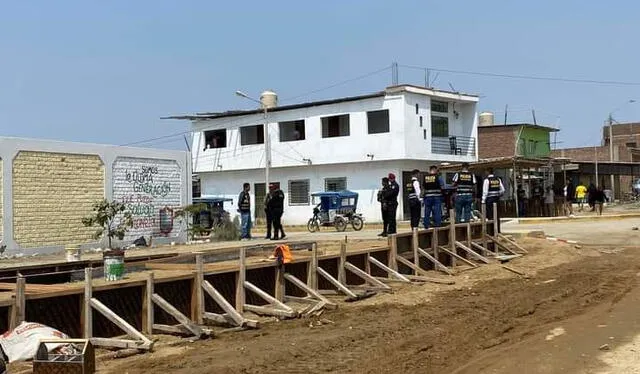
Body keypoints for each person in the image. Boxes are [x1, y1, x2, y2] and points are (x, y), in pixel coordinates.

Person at [482, 168, 505, 233]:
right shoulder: (498, 179)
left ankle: (491, 231)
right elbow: (503, 190)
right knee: (497, 215)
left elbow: (485, 192)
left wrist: (483, 201)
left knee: (490, 215)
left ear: (487, 172)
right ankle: (497, 230)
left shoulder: (487, 180)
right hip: (497, 199)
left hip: (489, 199)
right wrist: (498, 194)